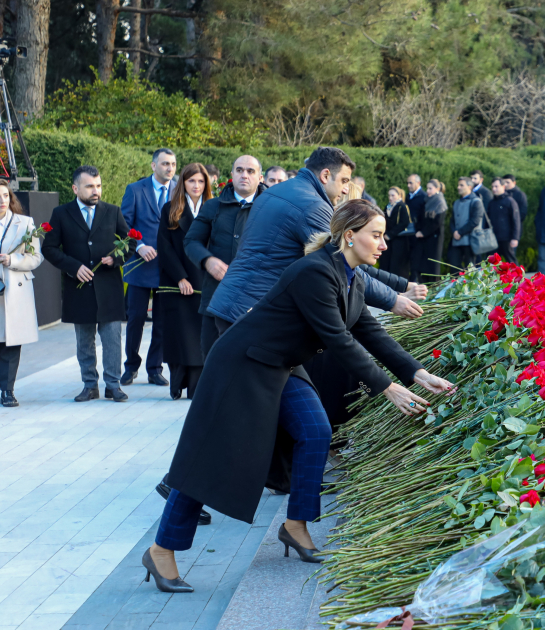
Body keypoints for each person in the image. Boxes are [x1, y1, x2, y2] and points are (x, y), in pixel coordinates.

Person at [142, 200, 455, 593]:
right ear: (348, 236)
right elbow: (339, 340)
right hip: (243, 364)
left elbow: (371, 333)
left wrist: (418, 372)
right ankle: (161, 549)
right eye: (376, 235)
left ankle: (295, 525)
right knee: (210, 456)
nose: (384, 244)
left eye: (383, 236)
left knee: (316, 430)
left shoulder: (350, 276)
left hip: (281, 364)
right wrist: (387, 387)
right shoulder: (315, 272)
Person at [208, 146, 424, 329]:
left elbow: (349, 261)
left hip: (235, 303)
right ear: (326, 175)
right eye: (344, 180)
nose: (346, 189)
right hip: (252, 311)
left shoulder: (279, 191)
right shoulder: (312, 206)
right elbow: (342, 263)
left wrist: (401, 285)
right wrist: (393, 300)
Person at [42, 166, 133, 403]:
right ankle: (89, 385)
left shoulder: (113, 212)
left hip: (109, 287)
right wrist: (73, 267)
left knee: (113, 338)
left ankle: (113, 385)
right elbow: (49, 248)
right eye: (90, 186)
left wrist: (116, 259)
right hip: (78, 288)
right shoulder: (61, 214)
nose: (96, 191)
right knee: (84, 340)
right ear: (75, 188)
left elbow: (130, 242)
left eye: (98, 186)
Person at [184, 155, 266, 360]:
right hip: (216, 297)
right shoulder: (213, 206)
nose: (244, 175)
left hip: (257, 298)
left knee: (250, 360)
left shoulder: (271, 208)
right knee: (212, 358)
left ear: (260, 177)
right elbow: (191, 241)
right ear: (232, 175)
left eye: (250, 171)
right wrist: (207, 260)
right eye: (239, 170)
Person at [121, 148, 177, 388]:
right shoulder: (135, 189)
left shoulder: (179, 190)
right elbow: (122, 224)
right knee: (135, 319)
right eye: (165, 164)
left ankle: (155, 369)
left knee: (163, 321)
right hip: (140, 266)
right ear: (153, 166)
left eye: (173, 164)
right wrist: (139, 246)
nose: (170, 168)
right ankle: (131, 366)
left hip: (168, 268)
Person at [158, 163, 211, 401]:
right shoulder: (170, 209)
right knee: (180, 336)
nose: (196, 186)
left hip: (205, 281)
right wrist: (180, 276)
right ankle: (177, 385)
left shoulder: (213, 209)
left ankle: (197, 388)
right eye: (192, 181)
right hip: (178, 282)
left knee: (201, 337)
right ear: (183, 183)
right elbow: (164, 247)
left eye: (200, 181)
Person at [0, 180, 43, 407]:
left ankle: (8, 391)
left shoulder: (25, 223)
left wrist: (14, 260)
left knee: (11, 344)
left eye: (6, 195)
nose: (3, 201)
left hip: (14, 291)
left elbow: (36, 257)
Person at [447, 177, 485, 271]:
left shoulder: (476, 201)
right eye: (458, 185)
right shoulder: (456, 202)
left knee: (470, 268)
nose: (458, 187)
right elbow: (452, 220)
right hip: (456, 241)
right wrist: (454, 232)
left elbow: (475, 221)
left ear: (469, 186)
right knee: (454, 266)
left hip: (470, 241)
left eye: (461, 185)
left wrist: (460, 232)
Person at [414, 179, 446, 281]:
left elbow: (437, 222)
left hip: (434, 238)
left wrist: (423, 232)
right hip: (424, 238)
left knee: (433, 265)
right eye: (427, 188)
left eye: (430, 188)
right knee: (422, 265)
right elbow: (420, 218)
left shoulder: (440, 202)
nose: (427, 191)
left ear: (437, 189)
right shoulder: (426, 200)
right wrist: (419, 230)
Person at [382, 186, 413, 278]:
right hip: (388, 241)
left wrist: (391, 234)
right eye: (389, 195)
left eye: (393, 195)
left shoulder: (402, 206)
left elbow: (404, 223)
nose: (390, 198)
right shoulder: (388, 206)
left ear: (399, 195)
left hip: (399, 241)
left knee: (397, 267)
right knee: (386, 264)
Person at [487, 178, 520, 263]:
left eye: (496, 186)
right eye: (492, 187)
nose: (494, 189)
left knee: (511, 261)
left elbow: (516, 220)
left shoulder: (510, 201)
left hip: (507, 238)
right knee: (492, 263)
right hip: (493, 238)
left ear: (503, 187)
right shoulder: (492, 203)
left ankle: (517, 276)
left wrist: (515, 238)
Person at [405, 174, 427, 281]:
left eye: (411, 183)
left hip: (418, 233)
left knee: (416, 260)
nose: (408, 185)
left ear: (418, 183)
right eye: (408, 183)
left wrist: (421, 231)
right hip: (408, 233)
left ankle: (416, 281)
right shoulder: (407, 197)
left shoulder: (424, 196)